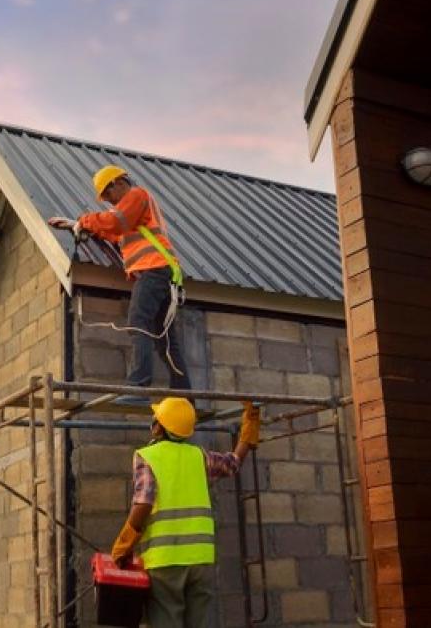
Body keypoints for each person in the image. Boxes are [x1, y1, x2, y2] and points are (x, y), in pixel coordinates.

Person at [110, 397, 261, 627]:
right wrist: (250, 425)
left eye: (156, 419)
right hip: (200, 561)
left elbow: (143, 503)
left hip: (165, 563)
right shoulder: (199, 457)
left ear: (159, 427)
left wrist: (124, 544)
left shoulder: (147, 456)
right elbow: (233, 462)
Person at [48, 165, 190, 397]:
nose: (109, 201)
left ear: (119, 183)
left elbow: (113, 222)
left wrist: (84, 220)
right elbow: (111, 232)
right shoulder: (131, 214)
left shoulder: (136, 195)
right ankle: (185, 397)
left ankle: (138, 387)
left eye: (108, 194)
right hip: (163, 273)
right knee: (165, 341)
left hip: (154, 270)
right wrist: (75, 223)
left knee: (137, 321)